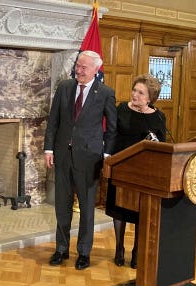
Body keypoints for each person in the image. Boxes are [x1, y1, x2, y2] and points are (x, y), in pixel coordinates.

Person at [43, 50, 117, 270]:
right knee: (62, 206)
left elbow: (112, 129)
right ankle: (61, 249)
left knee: (86, 208)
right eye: (78, 65)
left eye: (84, 67)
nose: (79, 70)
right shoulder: (64, 87)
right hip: (63, 156)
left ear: (96, 69)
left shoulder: (105, 93)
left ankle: (84, 252)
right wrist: (49, 149)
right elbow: (53, 120)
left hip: (89, 158)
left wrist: (105, 156)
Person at [105, 74, 167, 269]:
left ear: (150, 97)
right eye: (134, 90)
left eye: (141, 93)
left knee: (141, 211)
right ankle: (119, 248)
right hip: (121, 166)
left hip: (143, 172)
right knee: (119, 210)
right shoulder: (122, 109)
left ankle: (137, 251)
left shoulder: (158, 117)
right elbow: (112, 133)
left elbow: (162, 145)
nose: (135, 95)